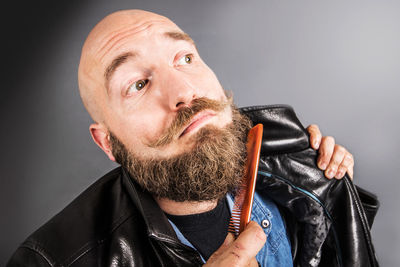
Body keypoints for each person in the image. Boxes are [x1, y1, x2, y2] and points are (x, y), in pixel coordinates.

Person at [8, 10, 378, 267]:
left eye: (184, 58)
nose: (184, 91)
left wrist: (330, 183)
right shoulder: (51, 261)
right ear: (107, 143)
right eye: (138, 83)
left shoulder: (292, 154)